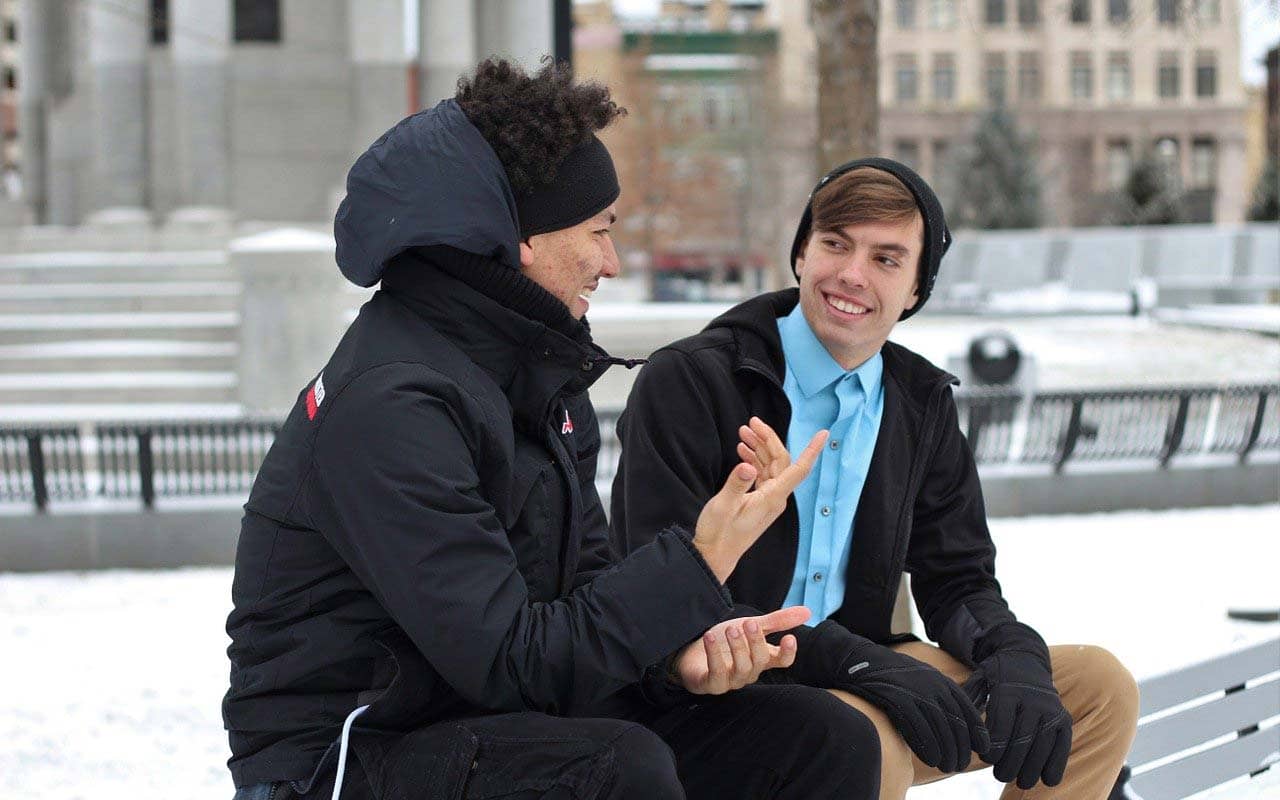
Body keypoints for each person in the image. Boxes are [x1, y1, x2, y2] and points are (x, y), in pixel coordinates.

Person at [223, 59, 884, 800]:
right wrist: (702, 559)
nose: (611, 261)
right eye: (598, 231)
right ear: (522, 239)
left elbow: (582, 593)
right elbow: (510, 658)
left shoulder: (535, 378)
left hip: (492, 718)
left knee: (819, 740)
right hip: (349, 756)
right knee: (615, 770)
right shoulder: (393, 406)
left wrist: (678, 656)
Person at [611, 158, 1141, 799]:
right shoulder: (694, 381)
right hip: (725, 680)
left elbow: (958, 577)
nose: (853, 275)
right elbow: (657, 591)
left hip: (868, 668)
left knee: (1097, 688)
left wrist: (1013, 653)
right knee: (864, 738)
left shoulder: (917, 403)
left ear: (917, 288)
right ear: (802, 253)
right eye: (836, 244)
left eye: (887, 259)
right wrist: (860, 662)